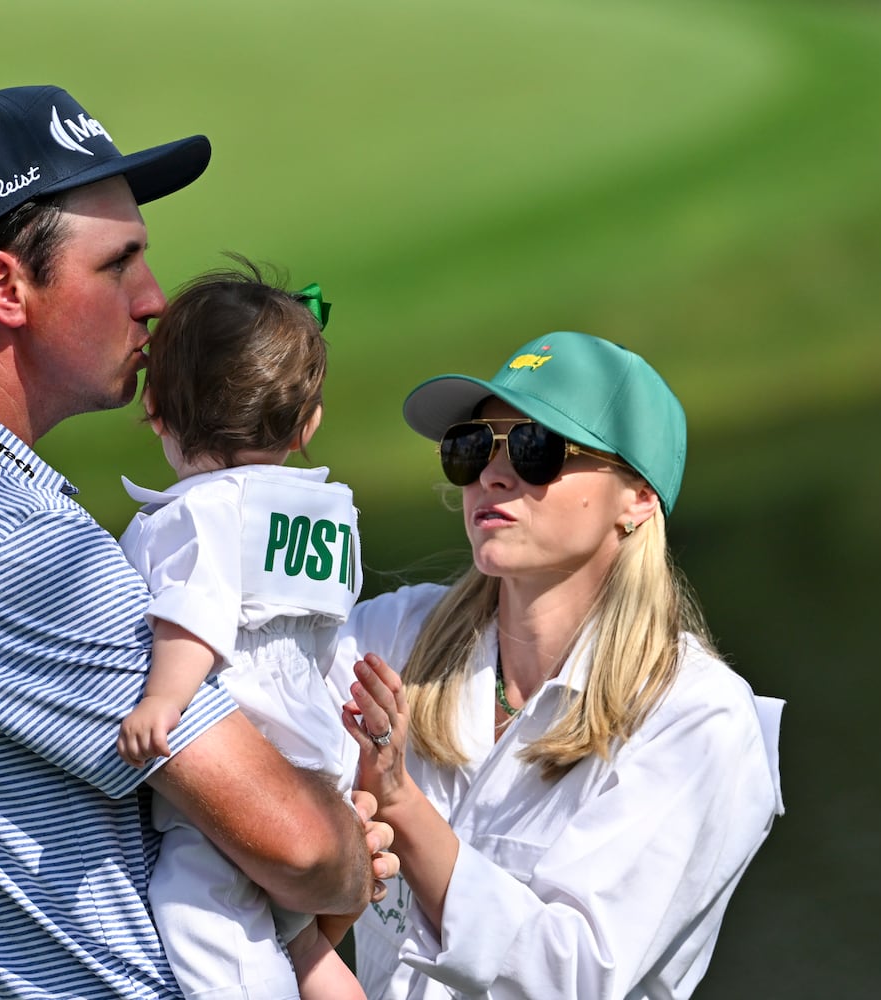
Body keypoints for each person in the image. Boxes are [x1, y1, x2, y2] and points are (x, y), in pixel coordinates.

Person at [0, 85, 392, 999]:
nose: (154, 300)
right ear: (4, 288)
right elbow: (301, 845)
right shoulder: (3, 537)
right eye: (119, 264)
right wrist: (350, 851)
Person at [334, 331, 785, 999]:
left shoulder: (699, 717)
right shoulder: (393, 634)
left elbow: (572, 974)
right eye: (472, 447)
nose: (492, 475)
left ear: (638, 497)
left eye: (536, 448)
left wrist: (400, 803)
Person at [115, 263, 364, 1000]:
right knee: (296, 937)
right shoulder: (328, 513)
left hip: (239, 753)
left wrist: (163, 701)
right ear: (307, 422)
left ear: (155, 407)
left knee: (201, 914)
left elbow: (196, 612)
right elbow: (327, 626)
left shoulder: (195, 515)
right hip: (315, 743)